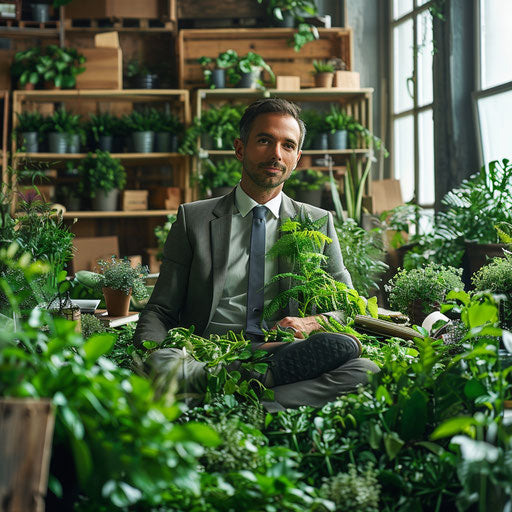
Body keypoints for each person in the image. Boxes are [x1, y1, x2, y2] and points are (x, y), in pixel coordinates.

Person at [134, 98, 379, 411]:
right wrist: (155, 355)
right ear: (240, 148)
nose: (276, 154)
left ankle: (228, 394)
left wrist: (310, 323)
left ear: (297, 157)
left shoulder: (316, 222)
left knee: (365, 372)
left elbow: (350, 307)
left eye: (287, 145)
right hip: (207, 352)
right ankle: (248, 394)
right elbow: (160, 310)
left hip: (282, 353)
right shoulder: (193, 220)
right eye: (265, 141)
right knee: (167, 362)